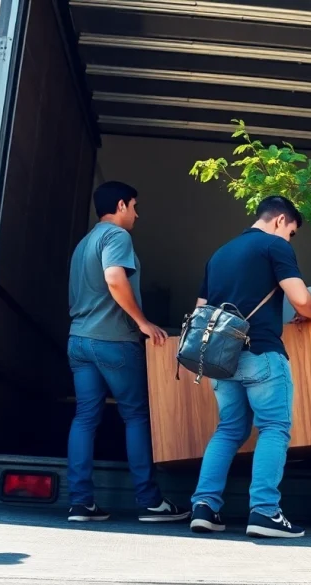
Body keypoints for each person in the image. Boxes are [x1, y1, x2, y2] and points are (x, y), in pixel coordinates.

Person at [188, 195, 311, 539]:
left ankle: (204, 507)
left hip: (219, 359)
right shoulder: (275, 247)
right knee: (274, 427)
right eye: (292, 232)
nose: (290, 238)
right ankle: (264, 512)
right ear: (281, 220)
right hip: (260, 351)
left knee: (229, 430)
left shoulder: (219, 255)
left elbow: (200, 310)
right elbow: (298, 297)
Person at [65, 180, 188, 524]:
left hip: (79, 341)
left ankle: (80, 503)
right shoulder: (117, 237)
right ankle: (149, 502)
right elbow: (115, 278)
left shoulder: (84, 243)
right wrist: (142, 322)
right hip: (114, 341)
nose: (136, 214)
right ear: (120, 205)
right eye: (134, 206)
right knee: (135, 416)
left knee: (85, 418)